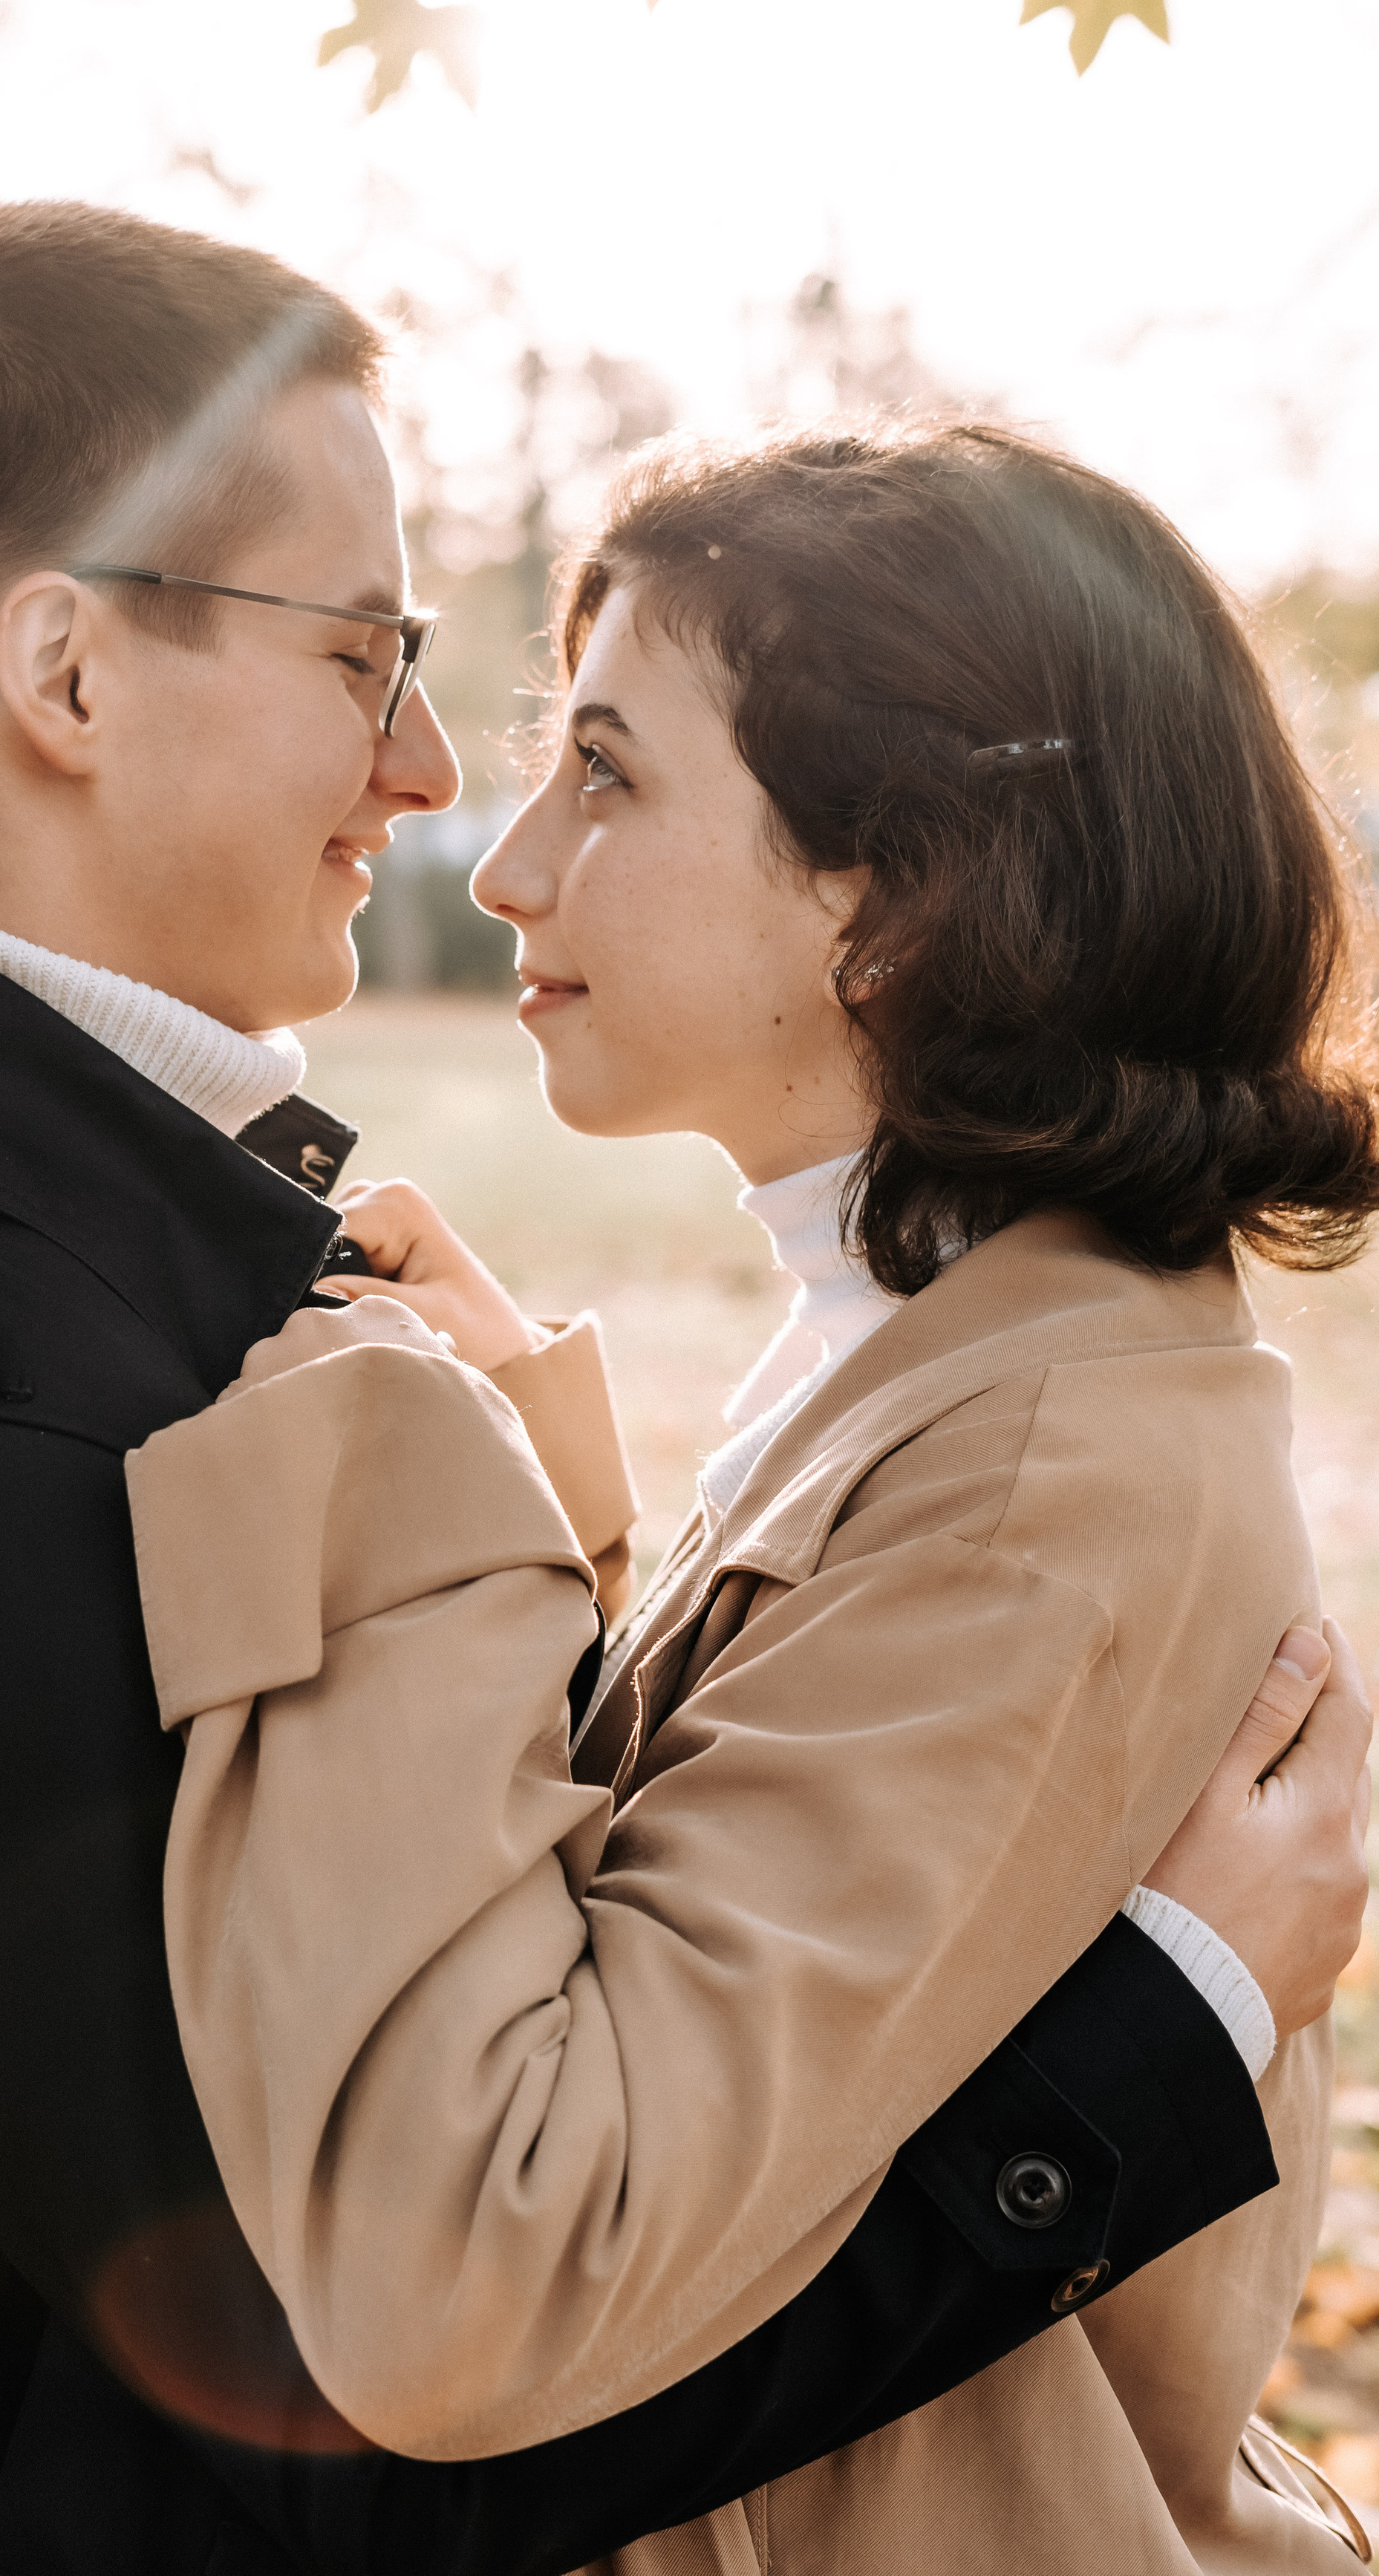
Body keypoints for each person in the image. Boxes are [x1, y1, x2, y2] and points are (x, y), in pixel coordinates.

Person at [0, 211, 1366, 2576]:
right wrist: (1163, 2034)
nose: (445, 801)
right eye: (371, 654)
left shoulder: (163, 1310)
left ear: (893, 896)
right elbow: (393, 2421)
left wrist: (520, 1539)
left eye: (585, 764)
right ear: (70, 681)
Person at [123, 423, 1379, 2573]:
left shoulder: (1042, 1484)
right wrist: (547, 1503)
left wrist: (396, 1477)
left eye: (607, 773)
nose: (510, 863)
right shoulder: (939, 1336)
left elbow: (493, 2268)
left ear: (897, 894)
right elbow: (753, 2019)